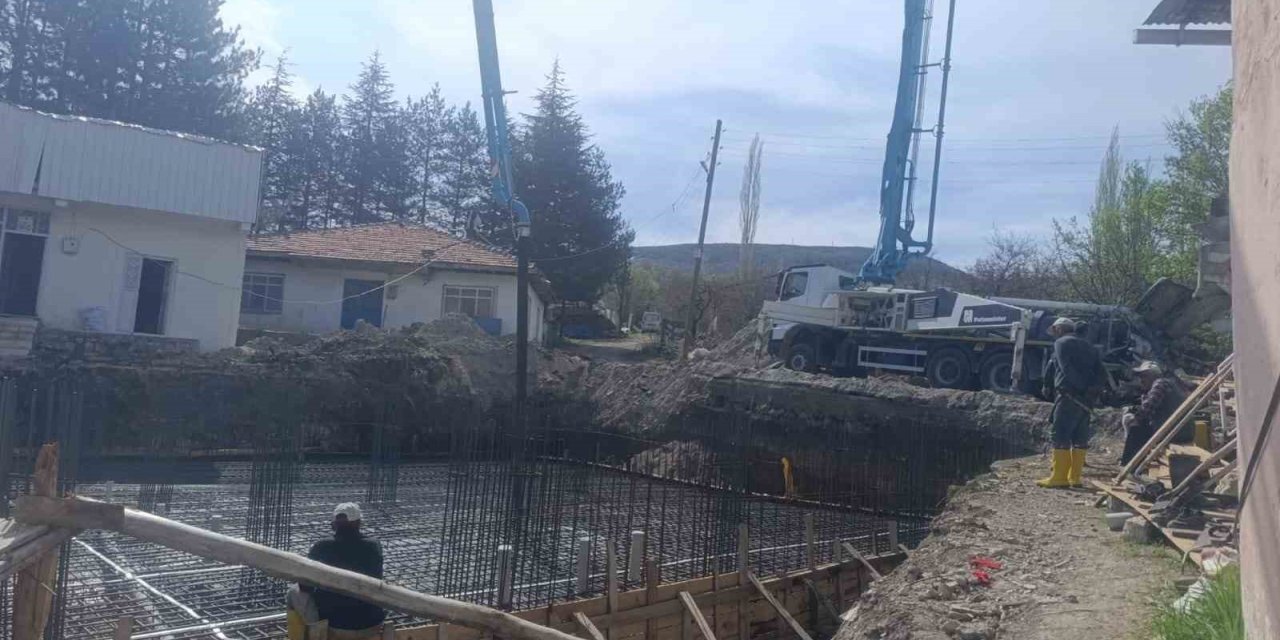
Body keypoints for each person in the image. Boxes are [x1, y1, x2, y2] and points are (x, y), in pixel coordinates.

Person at [287, 503, 386, 639]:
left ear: (334, 524)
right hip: (372, 625)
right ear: (359, 523)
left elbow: (305, 587)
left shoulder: (322, 546)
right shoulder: (374, 546)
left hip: (335, 626)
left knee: (293, 591)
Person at [1037, 317, 1106, 489]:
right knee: (1079, 437)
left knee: (1060, 434)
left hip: (1069, 396)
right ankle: (1075, 478)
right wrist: (1091, 392)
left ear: (1059, 329)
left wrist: (1079, 388)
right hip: (1086, 400)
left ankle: (1059, 477)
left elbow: (1065, 368)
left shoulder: (1061, 343)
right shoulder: (1089, 346)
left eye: (1055, 330)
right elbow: (1101, 372)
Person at [1119, 361, 1187, 465]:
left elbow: (1147, 409)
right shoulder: (1168, 384)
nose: (1141, 380)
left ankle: (1131, 465)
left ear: (1153, 375)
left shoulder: (1159, 384)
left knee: (1136, 427)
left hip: (1174, 431)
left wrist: (1133, 419)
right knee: (1138, 423)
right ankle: (1134, 462)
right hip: (1178, 429)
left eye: (1144, 376)